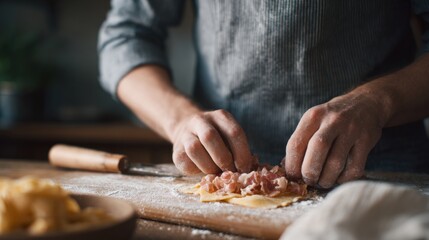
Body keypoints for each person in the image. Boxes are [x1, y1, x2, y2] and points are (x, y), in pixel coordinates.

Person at [98, 1, 429, 188]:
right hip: (221, 177)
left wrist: (378, 101)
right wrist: (179, 119)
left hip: (381, 173)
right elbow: (125, 36)